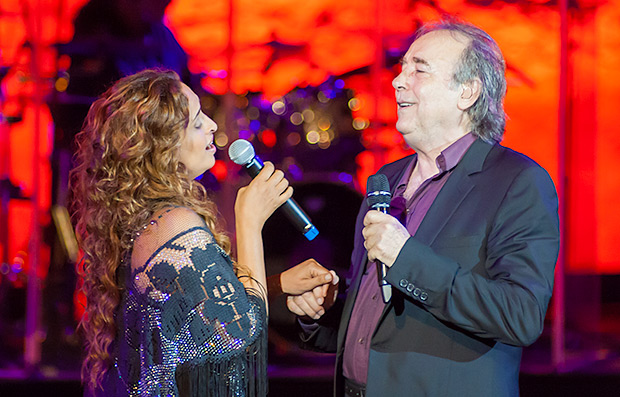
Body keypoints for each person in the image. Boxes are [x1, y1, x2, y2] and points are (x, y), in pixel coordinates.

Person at [287, 19, 560, 397]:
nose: (399, 81)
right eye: (401, 69)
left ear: (467, 92)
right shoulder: (386, 180)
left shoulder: (516, 181)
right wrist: (324, 312)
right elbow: (378, 314)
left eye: (419, 69)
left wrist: (405, 256)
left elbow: (520, 315)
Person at [70, 68, 337, 396]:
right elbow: (242, 338)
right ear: (164, 148)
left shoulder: (151, 220)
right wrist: (250, 221)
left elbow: (194, 311)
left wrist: (276, 284)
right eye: (197, 123)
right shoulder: (174, 224)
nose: (212, 126)